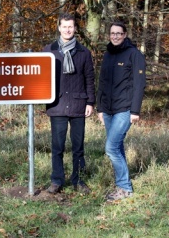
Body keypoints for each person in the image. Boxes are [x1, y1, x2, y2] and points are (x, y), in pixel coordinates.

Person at [43, 13, 95, 194]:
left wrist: (90, 102)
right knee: (57, 146)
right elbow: (41, 79)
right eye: (64, 26)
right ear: (59, 28)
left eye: (71, 27)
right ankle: (57, 180)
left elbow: (89, 78)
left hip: (78, 105)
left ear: (75, 29)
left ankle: (78, 180)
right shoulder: (49, 51)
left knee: (78, 146)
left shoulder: (84, 52)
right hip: (57, 104)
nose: (67, 30)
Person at [97, 21, 146, 201]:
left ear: (125, 35)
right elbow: (101, 83)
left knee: (110, 148)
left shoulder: (134, 54)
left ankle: (124, 187)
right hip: (108, 110)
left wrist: (135, 110)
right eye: (112, 33)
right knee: (116, 146)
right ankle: (122, 185)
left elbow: (139, 85)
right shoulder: (108, 54)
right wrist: (100, 109)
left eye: (119, 33)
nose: (115, 36)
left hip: (124, 110)